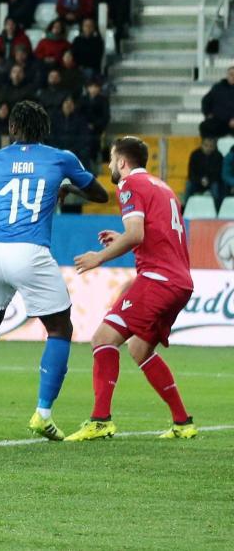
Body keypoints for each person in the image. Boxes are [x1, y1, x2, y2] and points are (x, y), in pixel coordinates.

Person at [0, 100, 108, 440]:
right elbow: (100, 194)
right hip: (30, 250)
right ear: (44, 130)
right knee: (61, 328)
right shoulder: (60, 158)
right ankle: (42, 413)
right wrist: (65, 186)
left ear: (12, 129)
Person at [66, 137, 197, 441]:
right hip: (180, 282)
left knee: (102, 339)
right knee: (139, 348)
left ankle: (100, 420)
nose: (110, 166)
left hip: (158, 280)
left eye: (111, 160)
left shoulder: (128, 186)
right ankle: (182, 421)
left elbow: (136, 234)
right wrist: (121, 236)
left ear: (122, 162)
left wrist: (99, 257)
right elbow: (152, 233)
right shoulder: (163, 187)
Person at [183, 136, 224, 211]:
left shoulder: (218, 156)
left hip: (212, 181)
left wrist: (209, 180)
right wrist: (200, 180)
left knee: (216, 187)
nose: (208, 148)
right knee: (188, 185)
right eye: (206, 145)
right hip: (197, 181)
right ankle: (184, 209)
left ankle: (217, 210)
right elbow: (191, 173)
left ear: (214, 147)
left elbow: (218, 174)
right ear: (202, 145)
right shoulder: (195, 155)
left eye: (211, 146)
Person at [200, 66, 234, 139]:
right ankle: (210, 149)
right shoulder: (218, 87)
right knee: (204, 126)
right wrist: (207, 114)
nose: (233, 77)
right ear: (227, 76)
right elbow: (206, 101)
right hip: (219, 121)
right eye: (231, 74)